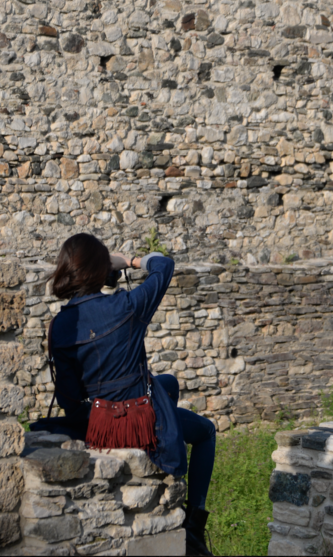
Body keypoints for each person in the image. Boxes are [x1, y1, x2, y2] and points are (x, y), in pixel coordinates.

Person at [31, 233, 216, 556]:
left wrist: (101, 410)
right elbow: (164, 265)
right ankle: (194, 525)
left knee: (168, 383)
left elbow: (69, 400)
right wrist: (128, 261)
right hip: (137, 420)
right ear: (101, 269)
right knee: (206, 432)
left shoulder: (60, 325)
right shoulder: (126, 305)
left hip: (98, 421)